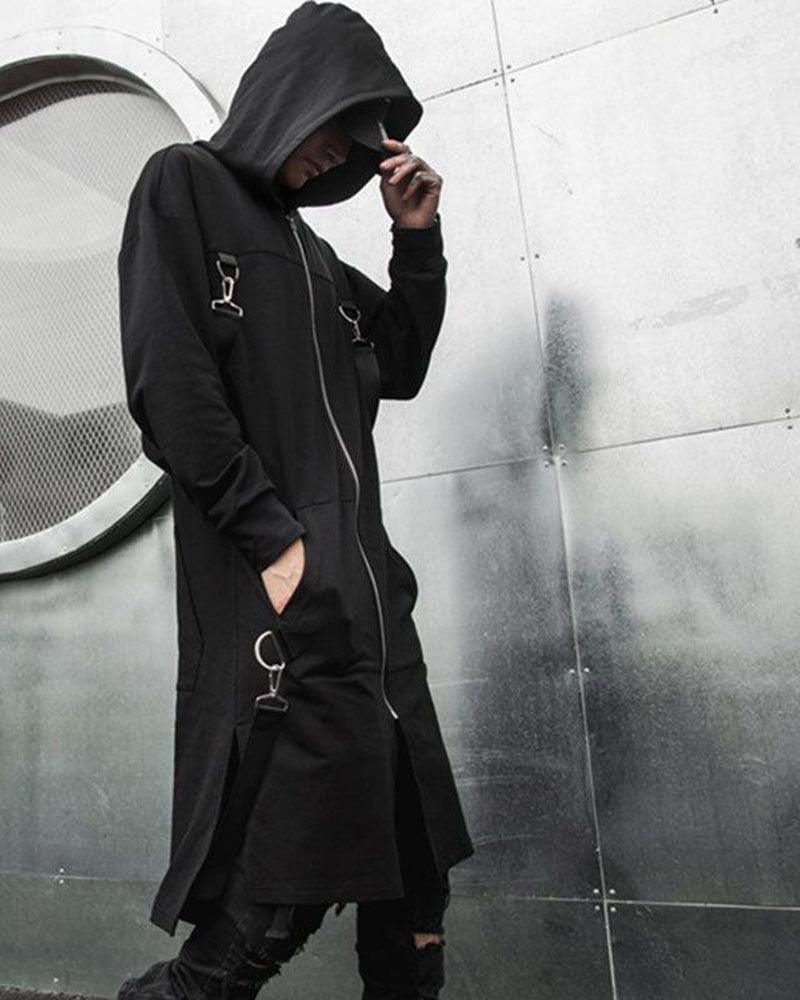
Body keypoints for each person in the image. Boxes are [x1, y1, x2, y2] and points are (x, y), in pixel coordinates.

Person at [115, 3, 474, 998]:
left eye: (354, 146)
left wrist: (416, 241)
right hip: (284, 607)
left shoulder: (316, 261)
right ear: (288, 97)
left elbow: (398, 362)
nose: (334, 158)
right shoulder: (182, 186)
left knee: (415, 883)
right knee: (273, 902)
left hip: (373, 618)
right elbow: (171, 389)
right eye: (329, 130)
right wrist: (278, 547)